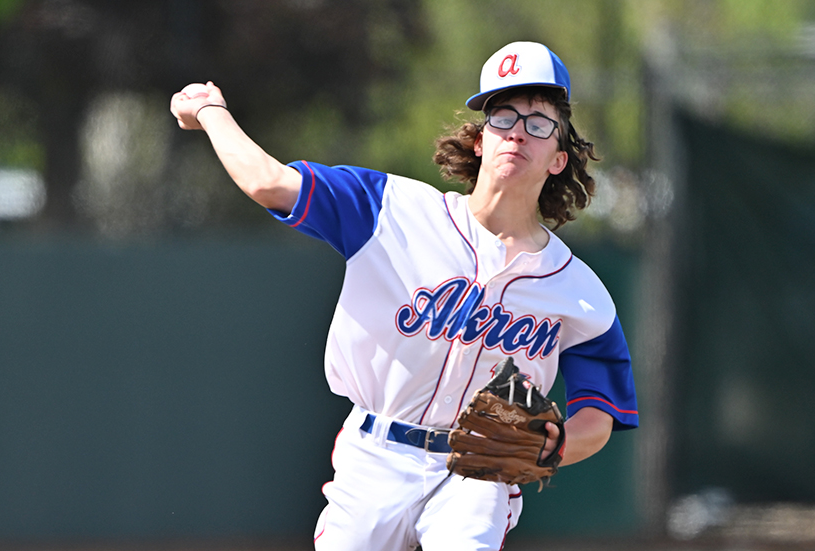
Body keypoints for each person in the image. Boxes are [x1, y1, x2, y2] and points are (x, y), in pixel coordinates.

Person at [170, 41, 638, 551]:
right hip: (376, 455)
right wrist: (212, 112)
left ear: (558, 159)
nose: (518, 132)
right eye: (503, 116)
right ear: (480, 140)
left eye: (539, 122)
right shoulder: (390, 210)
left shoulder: (579, 291)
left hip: (477, 472)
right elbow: (269, 183)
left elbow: (601, 412)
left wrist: (558, 444)